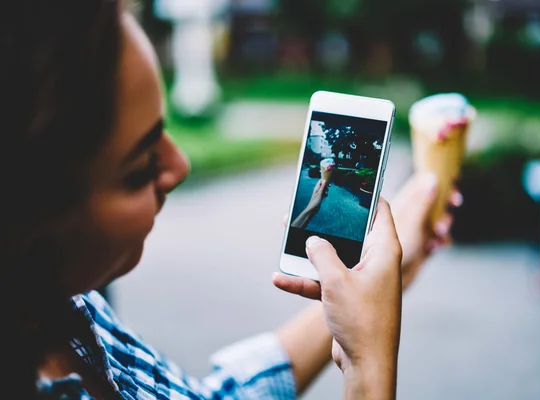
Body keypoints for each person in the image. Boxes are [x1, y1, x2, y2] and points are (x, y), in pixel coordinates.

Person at [3, 1, 460, 398]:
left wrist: (384, 280)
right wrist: (369, 369)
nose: (179, 167)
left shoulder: (65, 307)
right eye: (139, 167)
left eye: (164, 134)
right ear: (29, 220)